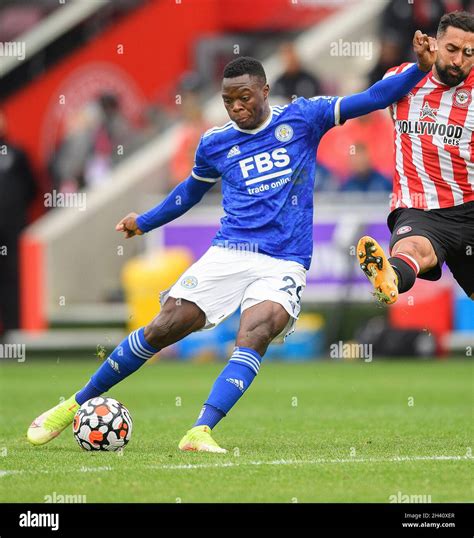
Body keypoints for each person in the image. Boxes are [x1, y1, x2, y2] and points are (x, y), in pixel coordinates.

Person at [27, 31, 437, 453]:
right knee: (162, 328)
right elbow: (190, 191)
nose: (237, 107)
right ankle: (72, 405)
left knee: (256, 331)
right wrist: (145, 222)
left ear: (264, 89)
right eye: (228, 101)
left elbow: (371, 97)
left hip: (285, 260)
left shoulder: (302, 118)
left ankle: (200, 430)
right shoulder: (215, 143)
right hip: (229, 252)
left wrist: (421, 69)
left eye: (244, 97)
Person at [357, 11, 473, 305]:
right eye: (452, 49)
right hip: (420, 207)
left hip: (470, 206)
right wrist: (421, 68)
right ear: (435, 44)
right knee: (413, 248)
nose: (459, 60)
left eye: (469, 53)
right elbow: (372, 100)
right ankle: (390, 277)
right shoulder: (401, 79)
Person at [0, 111, 37, 335]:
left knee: (12, 281)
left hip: (11, 231)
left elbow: (31, 188)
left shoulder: (17, 154)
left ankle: (13, 332)